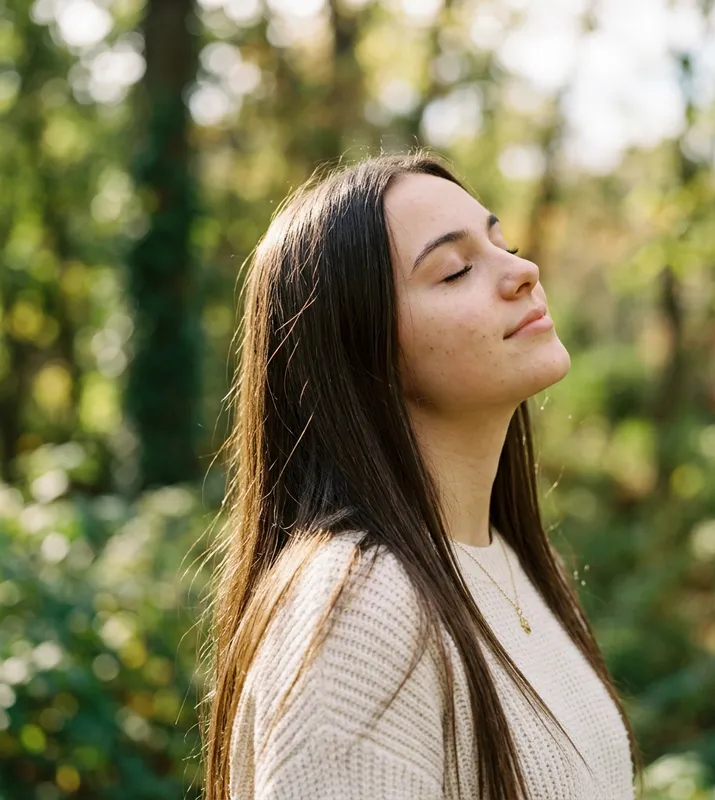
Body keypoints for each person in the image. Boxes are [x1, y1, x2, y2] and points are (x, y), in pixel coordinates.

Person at [201, 152, 641, 800]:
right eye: (456, 270)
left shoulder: (511, 563)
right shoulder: (359, 610)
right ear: (361, 349)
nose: (523, 271)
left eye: (504, 244)